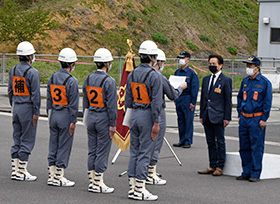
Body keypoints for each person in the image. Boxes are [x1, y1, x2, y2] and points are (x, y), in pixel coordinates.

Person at [125, 40, 162, 201]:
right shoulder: (154, 75)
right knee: (145, 152)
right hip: (147, 115)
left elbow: (127, 98)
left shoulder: (132, 73)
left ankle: (133, 186)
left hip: (134, 113)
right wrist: (156, 122)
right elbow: (156, 102)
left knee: (134, 151)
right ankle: (140, 188)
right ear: (153, 57)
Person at [147, 49, 187, 185]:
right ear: (157, 61)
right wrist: (181, 87)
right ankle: (150, 172)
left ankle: (143, 171)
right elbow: (173, 94)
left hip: (142, 113)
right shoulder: (158, 77)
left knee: (143, 144)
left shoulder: (138, 74)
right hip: (157, 112)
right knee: (156, 143)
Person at [83, 48, 117, 193]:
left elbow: (85, 101)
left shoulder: (88, 78)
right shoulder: (109, 81)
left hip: (91, 115)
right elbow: (111, 106)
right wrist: (113, 124)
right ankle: (98, 182)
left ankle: (91, 180)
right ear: (107, 63)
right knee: (102, 150)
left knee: (92, 150)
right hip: (103, 117)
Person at [236, 55, 272, 182]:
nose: (248, 68)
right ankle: (246, 171)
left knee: (256, 146)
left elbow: (267, 102)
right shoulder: (245, 81)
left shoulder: (264, 83)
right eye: (247, 66)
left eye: (250, 66)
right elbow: (240, 98)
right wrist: (239, 113)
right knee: (244, 146)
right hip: (244, 118)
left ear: (257, 68)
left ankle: (255, 173)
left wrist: (264, 119)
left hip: (256, 119)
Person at [8, 41, 41, 181]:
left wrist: (14, 105)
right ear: (29, 56)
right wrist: (36, 112)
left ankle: (15, 169)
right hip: (27, 108)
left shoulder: (13, 70)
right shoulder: (33, 72)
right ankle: (22, 170)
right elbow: (35, 95)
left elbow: (10, 91)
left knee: (17, 138)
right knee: (27, 138)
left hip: (16, 106)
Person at [46, 48, 79, 187]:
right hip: (65, 114)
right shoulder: (72, 81)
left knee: (53, 144)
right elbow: (73, 103)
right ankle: (59, 176)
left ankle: (51, 174)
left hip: (54, 113)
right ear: (71, 64)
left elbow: (48, 99)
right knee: (64, 145)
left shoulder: (52, 77)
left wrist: (49, 114)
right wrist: (74, 121)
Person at [198, 54, 232, 176]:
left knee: (220, 141)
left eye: (214, 64)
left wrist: (227, 117)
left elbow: (228, 101)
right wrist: (201, 115)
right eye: (210, 63)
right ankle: (212, 164)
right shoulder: (206, 79)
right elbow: (203, 99)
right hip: (207, 115)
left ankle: (220, 166)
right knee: (210, 141)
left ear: (220, 65)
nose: (212, 66)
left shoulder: (226, 80)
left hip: (219, 116)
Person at [173, 51, 199, 148]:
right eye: (180, 58)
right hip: (179, 97)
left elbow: (194, 89)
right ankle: (182, 139)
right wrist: (175, 99)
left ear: (188, 59)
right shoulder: (177, 72)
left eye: (182, 58)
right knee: (180, 120)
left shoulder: (191, 73)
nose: (181, 60)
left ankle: (188, 140)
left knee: (188, 120)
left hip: (188, 98)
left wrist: (193, 102)